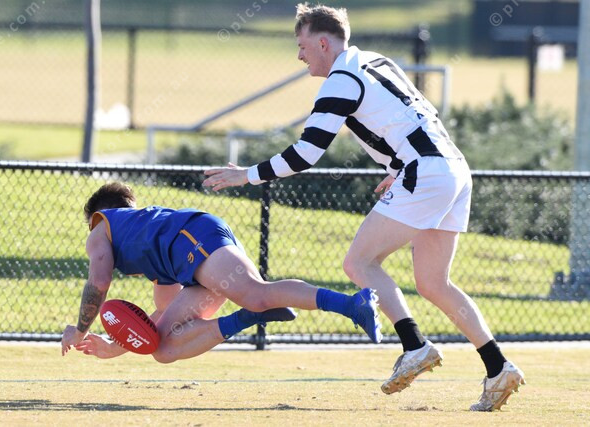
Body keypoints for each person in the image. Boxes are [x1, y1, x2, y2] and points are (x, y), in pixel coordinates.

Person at [202, 3, 525, 411]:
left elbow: (306, 154)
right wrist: (400, 167)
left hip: (427, 172)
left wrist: (246, 175)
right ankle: (498, 367)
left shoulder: (341, 79)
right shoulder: (376, 61)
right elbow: (415, 117)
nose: (299, 55)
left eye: (302, 45)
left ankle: (414, 345)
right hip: (454, 168)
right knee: (433, 282)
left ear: (323, 43)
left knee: (359, 263)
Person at [61, 182, 381, 362]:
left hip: (193, 239)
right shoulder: (145, 240)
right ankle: (247, 318)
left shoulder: (101, 226)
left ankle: (352, 304)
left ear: (99, 215)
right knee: (163, 349)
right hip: (193, 247)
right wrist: (116, 345)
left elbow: (99, 282)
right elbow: (159, 318)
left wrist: (79, 330)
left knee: (256, 294)